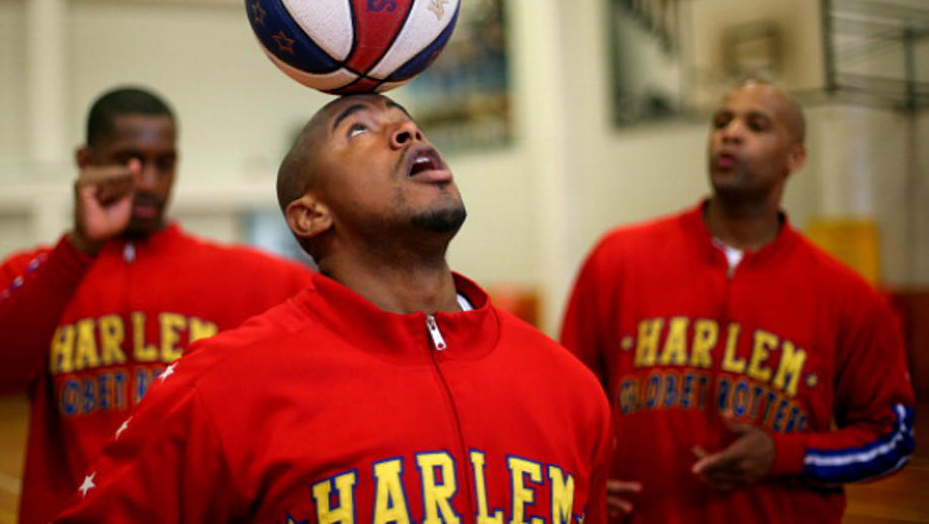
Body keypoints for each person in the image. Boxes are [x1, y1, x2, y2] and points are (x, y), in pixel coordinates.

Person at [54, 93, 614, 523]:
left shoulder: (568, 387)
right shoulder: (219, 389)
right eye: (360, 130)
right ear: (310, 215)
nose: (406, 131)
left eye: (408, 123)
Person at [560, 79, 916, 522]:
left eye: (757, 124)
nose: (731, 133)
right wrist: (581, 479)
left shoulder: (847, 296)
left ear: (795, 157)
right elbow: (562, 401)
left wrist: (787, 454)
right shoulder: (618, 259)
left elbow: (893, 439)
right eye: (722, 121)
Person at [0, 86, 314, 524]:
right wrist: (79, 248)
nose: (147, 182)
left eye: (163, 164)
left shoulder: (254, 277)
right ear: (86, 162)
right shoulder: (27, 274)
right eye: (130, 161)